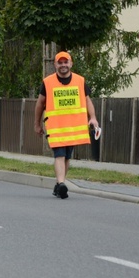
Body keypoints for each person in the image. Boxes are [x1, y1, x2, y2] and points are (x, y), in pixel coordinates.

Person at [34, 51, 99, 199]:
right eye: (60, 62)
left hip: (74, 128)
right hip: (56, 128)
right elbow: (40, 104)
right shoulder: (48, 82)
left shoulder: (80, 81)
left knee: (67, 157)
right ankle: (62, 183)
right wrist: (37, 124)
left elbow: (87, 100)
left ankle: (59, 185)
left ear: (71, 63)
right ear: (55, 64)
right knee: (59, 155)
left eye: (66, 62)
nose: (63, 65)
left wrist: (93, 117)